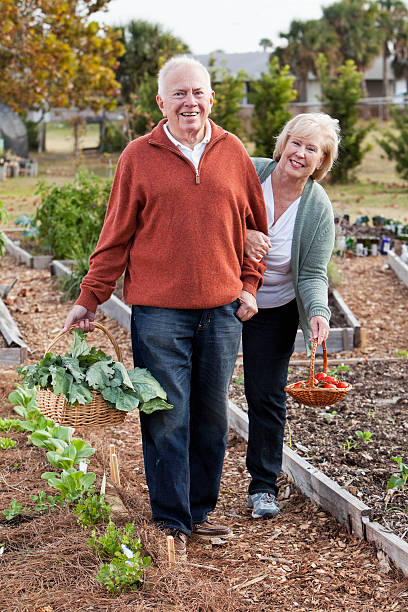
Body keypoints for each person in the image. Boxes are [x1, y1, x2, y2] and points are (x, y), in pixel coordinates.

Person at [63, 56, 268, 555]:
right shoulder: (138, 156)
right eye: (178, 93)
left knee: (212, 416)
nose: (189, 102)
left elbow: (258, 232)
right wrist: (91, 297)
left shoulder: (233, 152)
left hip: (221, 311)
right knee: (165, 414)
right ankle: (172, 519)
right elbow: (116, 236)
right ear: (161, 102)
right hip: (159, 314)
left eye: (197, 92)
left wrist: (250, 287)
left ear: (211, 98)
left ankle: (199, 511)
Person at [243, 113, 340, 519]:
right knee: (206, 391)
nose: (300, 153)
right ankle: (198, 484)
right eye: (295, 143)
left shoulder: (317, 209)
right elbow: (211, 220)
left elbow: (312, 272)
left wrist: (318, 311)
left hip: (276, 308)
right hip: (225, 299)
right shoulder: (249, 173)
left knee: (265, 395)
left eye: (311, 149)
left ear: (322, 161)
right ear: (282, 144)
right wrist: (241, 237)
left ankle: (263, 487)